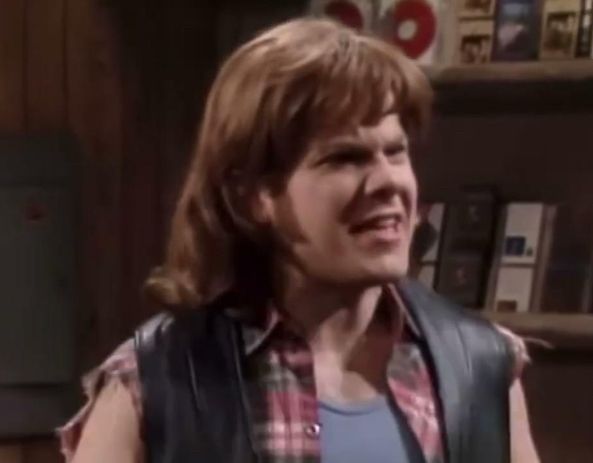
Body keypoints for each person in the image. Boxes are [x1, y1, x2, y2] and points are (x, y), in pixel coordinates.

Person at [59, 18, 540, 463]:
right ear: (252, 196)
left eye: (396, 152)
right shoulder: (155, 380)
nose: (388, 182)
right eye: (345, 158)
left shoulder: (479, 366)